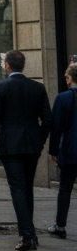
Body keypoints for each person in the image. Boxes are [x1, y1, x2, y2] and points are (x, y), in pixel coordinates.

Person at [0, 50, 52, 251]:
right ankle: (28, 232)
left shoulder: (0, 87)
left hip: (10, 146)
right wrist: (39, 140)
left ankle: (27, 235)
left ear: (7, 65)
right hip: (31, 145)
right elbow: (47, 120)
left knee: (17, 189)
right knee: (27, 188)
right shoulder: (37, 88)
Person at [48, 63, 77, 239]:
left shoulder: (63, 98)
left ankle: (60, 226)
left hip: (70, 150)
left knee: (65, 189)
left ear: (69, 78)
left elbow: (56, 127)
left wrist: (53, 151)